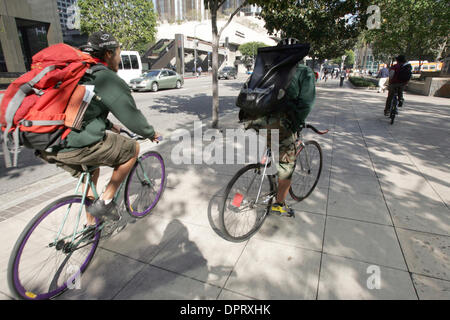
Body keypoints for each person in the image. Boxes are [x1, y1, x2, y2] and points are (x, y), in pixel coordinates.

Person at [38, 31, 161, 225]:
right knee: (132, 149)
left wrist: (110, 126)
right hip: (74, 144)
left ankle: (91, 222)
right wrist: (151, 133)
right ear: (108, 54)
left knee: (91, 172)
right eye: (119, 54)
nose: (119, 60)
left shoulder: (79, 72)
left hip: (47, 143)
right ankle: (105, 202)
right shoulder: (105, 78)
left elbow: (79, 112)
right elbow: (132, 117)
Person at [241, 38, 316, 217]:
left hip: (253, 119)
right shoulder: (304, 72)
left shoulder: (267, 69)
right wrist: (296, 124)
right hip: (279, 124)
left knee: (270, 138)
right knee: (286, 165)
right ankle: (280, 204)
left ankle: (265, 160)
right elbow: (306, 103)